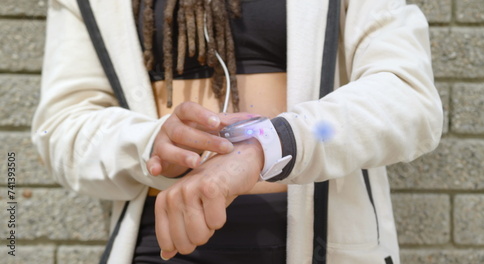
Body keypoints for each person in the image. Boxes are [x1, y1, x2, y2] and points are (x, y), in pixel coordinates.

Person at [32, 0, 443, 263]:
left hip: (323, 246)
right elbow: (63, 127)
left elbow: (408, 98)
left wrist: (270, 144)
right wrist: (151, 144)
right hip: (162, 244)